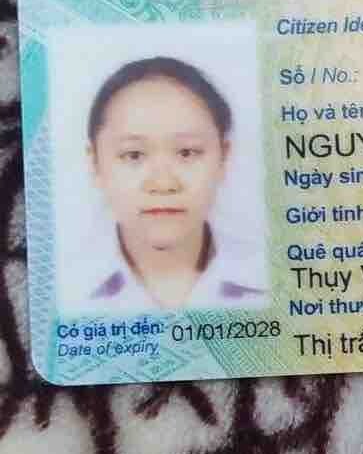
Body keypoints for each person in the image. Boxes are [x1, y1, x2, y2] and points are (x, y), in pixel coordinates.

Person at [83, 56, 266, 310]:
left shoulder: (274, 278)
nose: (163, 183)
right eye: (134, 155)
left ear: (223, 158)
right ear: (95, 163)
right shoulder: (64, 289)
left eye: (187, 153)